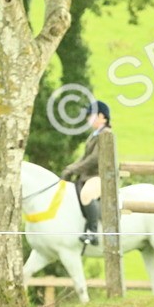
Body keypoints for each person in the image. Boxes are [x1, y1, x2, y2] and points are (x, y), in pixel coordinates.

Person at [60, 100, 113, 246]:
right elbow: (83, 157)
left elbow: (94, 159)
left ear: (102, 117)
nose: (88, 119)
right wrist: (70, 168)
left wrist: (74, 169)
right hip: (87, 176)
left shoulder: (106, 134)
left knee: (86, 194)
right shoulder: (94, 135)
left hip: (100, 176)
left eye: (91, 115)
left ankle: (92, 232)